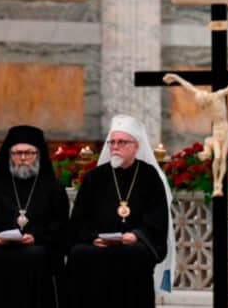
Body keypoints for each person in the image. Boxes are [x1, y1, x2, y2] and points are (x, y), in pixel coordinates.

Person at [67, 114, 175, 308]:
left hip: (133, 246)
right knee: (79, 253)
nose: (115, 147)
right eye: (112, 142)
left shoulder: (150, 177)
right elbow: (79, 219)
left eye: (122, 142)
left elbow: (157, 220)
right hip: (98, 244)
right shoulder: (95, 177)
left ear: (136, 146)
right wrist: (93, 237)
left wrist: (137, 235)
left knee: (136, 255)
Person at [0, 125, 70, 308]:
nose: (23, 158)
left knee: (36, 255)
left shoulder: (53, 187)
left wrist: (37, 236)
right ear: (9, 155)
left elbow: (61, 224)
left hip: (39, 248)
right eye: (17, 153)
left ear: (38, 154)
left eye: (29, 153)